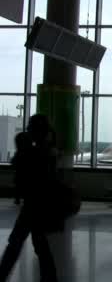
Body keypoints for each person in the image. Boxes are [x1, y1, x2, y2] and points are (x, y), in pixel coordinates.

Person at [0, 114, 58, 282]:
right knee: (40, 245)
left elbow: (18, 166)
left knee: (16, 243)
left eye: (30, 128)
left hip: (33, 206)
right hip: (40, 205)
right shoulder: (47, 152)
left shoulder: (34, 153)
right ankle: (50, 277)